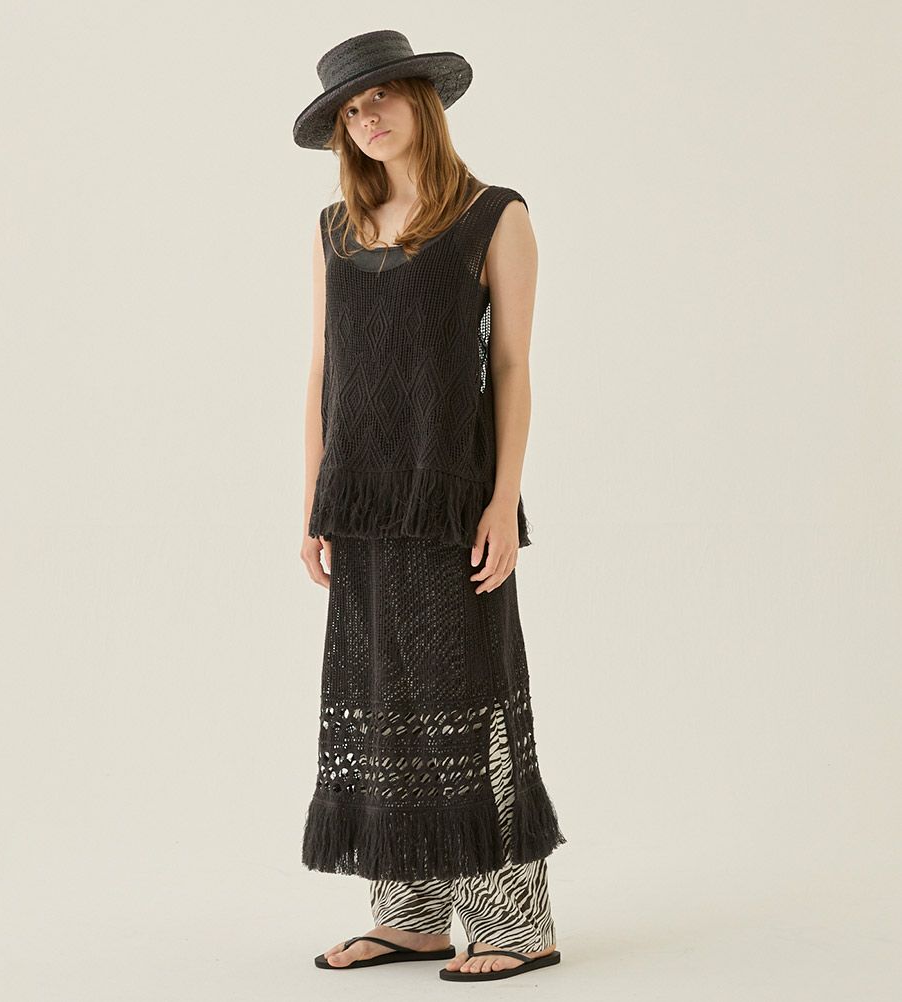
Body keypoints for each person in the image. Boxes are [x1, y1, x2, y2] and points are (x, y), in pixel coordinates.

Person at [294, 30, 567, 983]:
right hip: (362, 499)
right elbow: (323, 370)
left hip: (453, 496)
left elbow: (513, 366)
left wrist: (504, 500)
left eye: (380, 98)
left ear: (423, 101)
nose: (366, 120)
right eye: (349, 111)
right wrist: (313, 501)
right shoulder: (334, 228)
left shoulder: (496, 215)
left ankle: (516, 920)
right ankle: (410, 914)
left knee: (470, 694)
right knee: (384, 696)